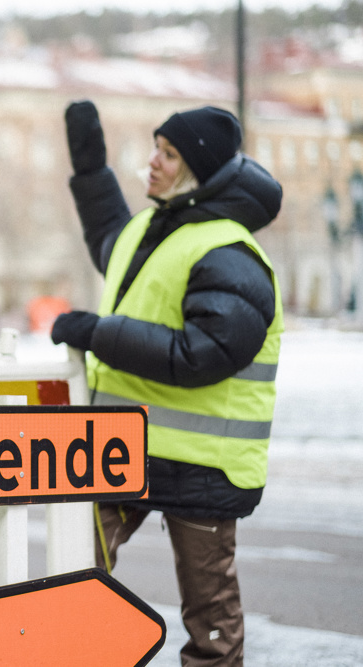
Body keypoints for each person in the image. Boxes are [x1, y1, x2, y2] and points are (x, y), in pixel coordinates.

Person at [51, 102, 283, 666]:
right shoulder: (153, 229)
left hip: (203, 462)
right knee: (70, 575)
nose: (153, 161)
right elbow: (109, 235)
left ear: (199, 171)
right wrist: (91, 170)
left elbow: (204, 353)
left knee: (210, 619)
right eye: (156, 148)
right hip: (122, 448)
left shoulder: (228, 251)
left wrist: (98, 334)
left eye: (170, 154)